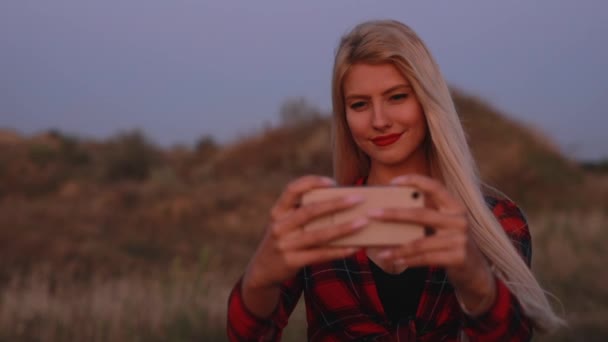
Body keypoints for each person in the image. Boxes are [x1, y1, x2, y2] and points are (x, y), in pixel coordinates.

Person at [226, 19, 563, 341]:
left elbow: (513, 336)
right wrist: (259, 278)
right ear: (344, 116)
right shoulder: (318, 219)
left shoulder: (500, 222)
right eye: (359, 104)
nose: (379, 120)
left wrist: (476, 280)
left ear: (427, 101)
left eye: (397, 97)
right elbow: (250, 336)